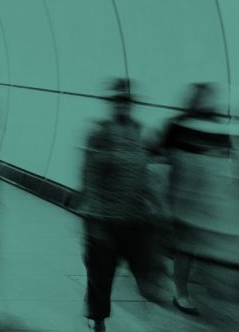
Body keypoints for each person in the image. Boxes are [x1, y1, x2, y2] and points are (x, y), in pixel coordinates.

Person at [77, 79, 166, 331]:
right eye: (118, 101)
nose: (123, 106)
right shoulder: (99, 134)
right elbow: (90, 176)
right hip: (104, 218)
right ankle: (98, 320)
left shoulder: (141, 133)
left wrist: (156, 207)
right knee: (100, 274)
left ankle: (149, 304)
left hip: (135, 217)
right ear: (110, 103)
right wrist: (93, 220)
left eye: (127, 101)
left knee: (146, 272)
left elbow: (147, 175)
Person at [155, 82, 237, 315]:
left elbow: (228, 159)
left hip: (209, 198)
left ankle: (200, 283)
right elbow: (162, 159)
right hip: (183, 197)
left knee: (205, 244)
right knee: (186, 247)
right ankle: (181, 293)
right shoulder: (178, 126)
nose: (206, 102)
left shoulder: (217, 128)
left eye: (209, 98)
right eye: (202, 98)